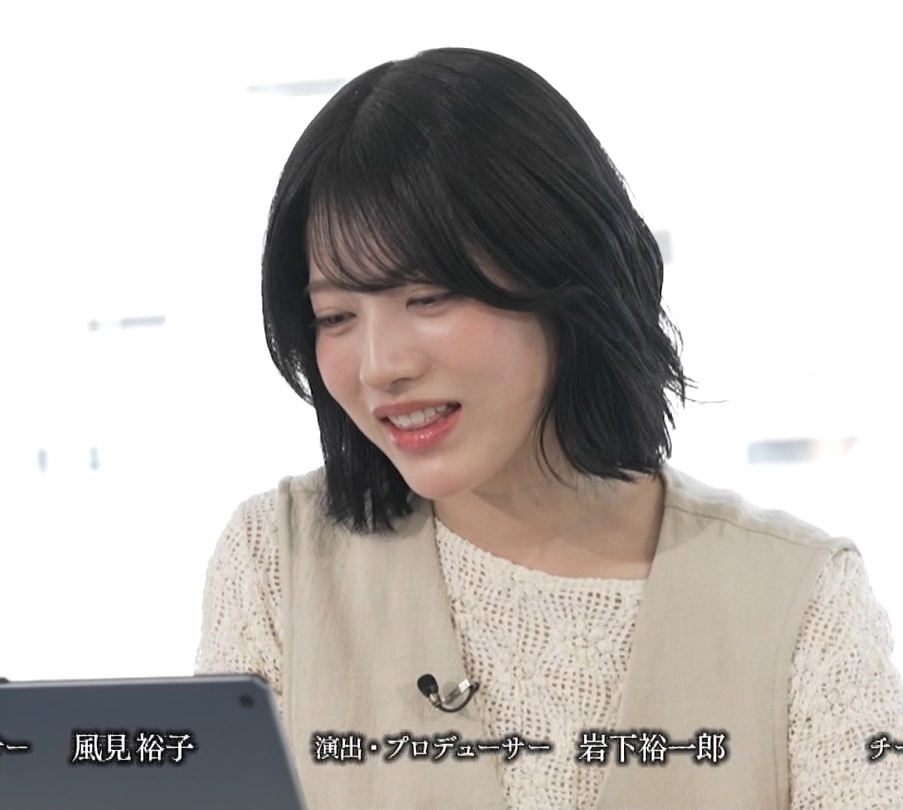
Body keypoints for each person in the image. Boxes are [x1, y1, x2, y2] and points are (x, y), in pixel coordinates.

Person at [194, 47, 903, 809]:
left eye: (428, 298)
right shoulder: (278, 563)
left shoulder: (799, 599)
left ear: (567, 276)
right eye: (335, 317)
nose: (379, 367)